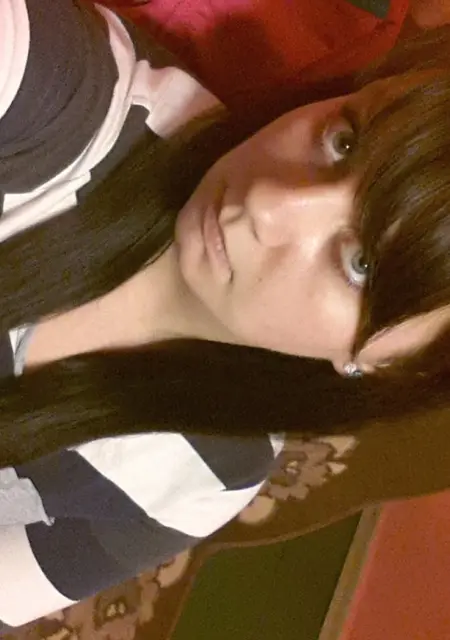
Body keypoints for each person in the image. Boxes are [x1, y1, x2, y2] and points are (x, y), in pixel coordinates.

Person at [1, 0, 450, 630]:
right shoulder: (66, 90)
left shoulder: (205, 478)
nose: (267, 205)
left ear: (383, 363)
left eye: (360, 264)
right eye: (344, 140)